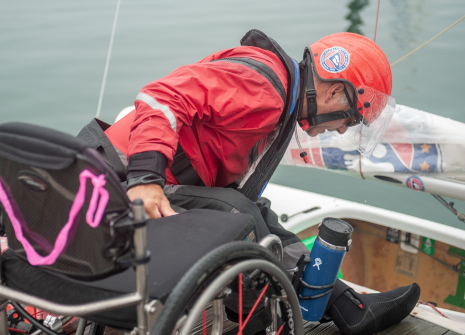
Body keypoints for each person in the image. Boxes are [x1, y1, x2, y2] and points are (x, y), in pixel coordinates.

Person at [78, 29, 420, 335]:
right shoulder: (265, 88)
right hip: (117, 184)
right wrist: (145, 177)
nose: (344, 128)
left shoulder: (283, 97)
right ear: (333, 92)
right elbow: (162, 97)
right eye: (350, 116)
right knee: (239, 217)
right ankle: (266, 326)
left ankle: (347, 305)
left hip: (139, 182)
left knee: (256, 214)